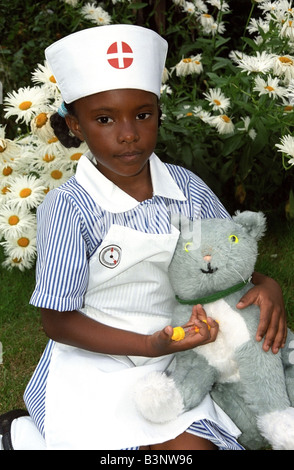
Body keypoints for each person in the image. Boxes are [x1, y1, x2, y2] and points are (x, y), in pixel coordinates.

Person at [22, 25, 286, 450]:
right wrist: (147, 345)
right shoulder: (69, 207)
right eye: (104, 119)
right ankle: (22, 436)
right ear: (75, 125)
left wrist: (267, 284)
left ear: (158, 114)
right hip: (98, 364)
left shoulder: (186, 188)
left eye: (142, 114)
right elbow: (57, 321)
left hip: (183, 355)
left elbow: (225, 264)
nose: (128, 133)